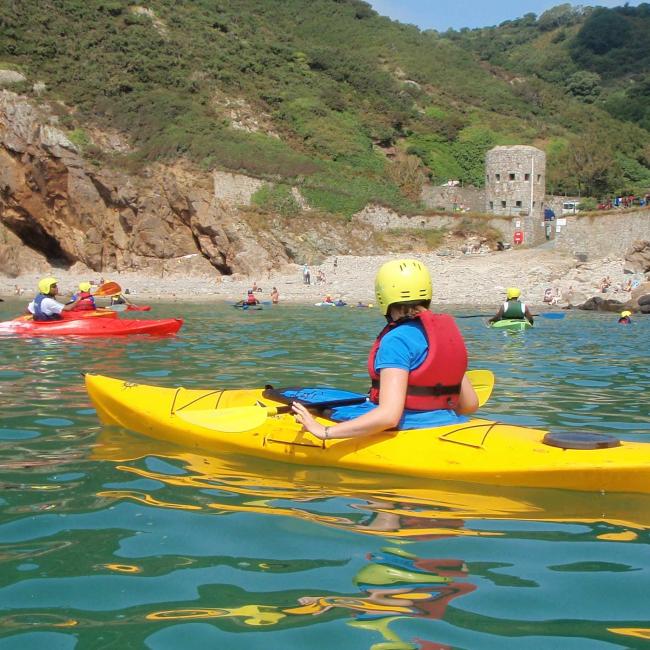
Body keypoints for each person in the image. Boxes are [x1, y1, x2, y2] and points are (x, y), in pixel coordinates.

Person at [292, 259, 478, 440]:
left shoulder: (396, 340)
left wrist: (324, 431)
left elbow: (389, 416)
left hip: (409, 431)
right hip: (450, 422)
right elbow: (469, 404)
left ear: (384, 297)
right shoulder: (444, 334)